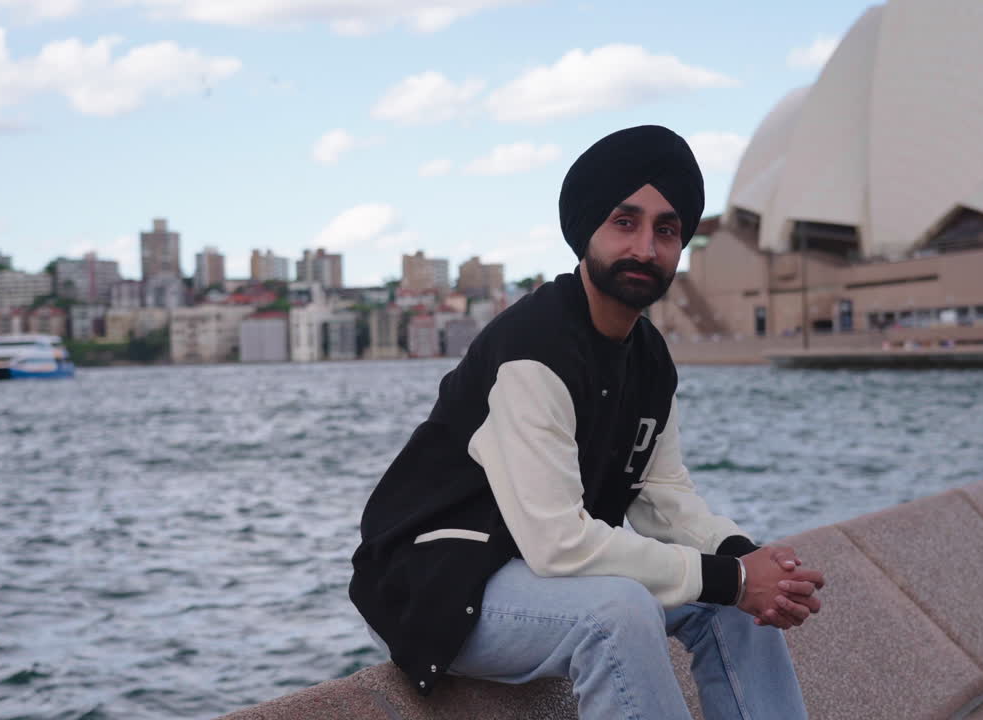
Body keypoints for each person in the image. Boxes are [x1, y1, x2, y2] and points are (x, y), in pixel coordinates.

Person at [349, 125, 825, 720]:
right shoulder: (534, 348)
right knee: (618, 613)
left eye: (667, 230)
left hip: (537, 567)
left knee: (737, 605)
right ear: (586, 231)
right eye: (625, 223)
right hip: (442, 583)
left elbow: (663, 494)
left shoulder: (649, 357)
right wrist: (729, 576)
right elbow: (560, 543)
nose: (646, 248)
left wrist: (745, 558)